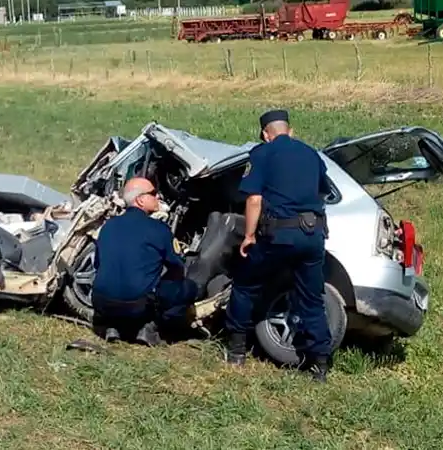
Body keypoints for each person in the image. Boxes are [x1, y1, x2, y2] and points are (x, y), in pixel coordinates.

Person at [223, 109, 333, 383]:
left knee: (245, 285)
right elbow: (323, 191)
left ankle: (236, 350)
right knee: (311, 298)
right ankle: (320, 364)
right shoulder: (312, 154)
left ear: (265, 134)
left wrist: (249, 236)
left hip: (278, 237)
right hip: (312, 237)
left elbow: (254, 200)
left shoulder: (262, 154)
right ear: (290, 131)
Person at [91, 177, 198, 346]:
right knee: (187, 288)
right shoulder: (159, 229)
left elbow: (98, 264)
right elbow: (177, 267)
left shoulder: (108, 225)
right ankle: (151, 327)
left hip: (101, 302)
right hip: (137, 306)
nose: (158, 197)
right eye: (153, 193)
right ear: (140, 200)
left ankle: (112, 325)